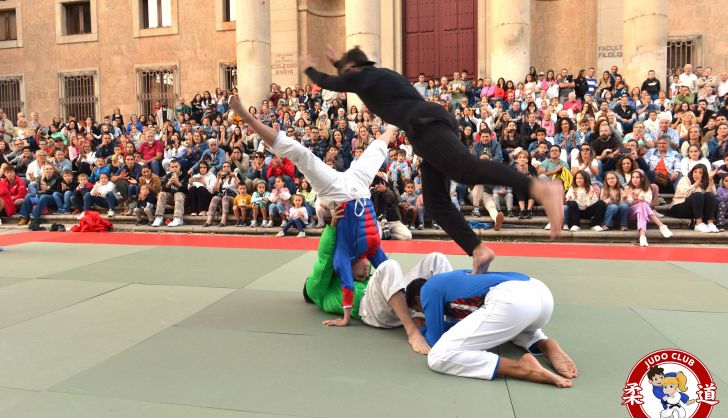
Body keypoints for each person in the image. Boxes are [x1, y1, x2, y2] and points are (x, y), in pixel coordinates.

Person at [298, 46, 564, 275]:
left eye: (346, 71)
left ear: (354, 68)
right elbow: (347, 77)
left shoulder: (366, 76)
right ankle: (478, 250)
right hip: (426, 129)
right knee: (437, 204)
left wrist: (310, 69)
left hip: (426, 125)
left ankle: (540, 188)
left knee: (466, 170)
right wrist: (338, 63)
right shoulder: (373, 75)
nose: (347, 78)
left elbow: (334, 82)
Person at [304, 204, 453, 354]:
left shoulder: (359, 278)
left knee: (436, 259)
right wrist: (332, 226)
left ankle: (455, 314)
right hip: (371, 312)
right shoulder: (317, 291)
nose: (364, 265)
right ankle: (412, 331)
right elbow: (324, 261)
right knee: (389, 266)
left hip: (393, 302)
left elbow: (371, 245)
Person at [405, 269, 576, 387]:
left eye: (419, 309)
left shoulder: (429, 289)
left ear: (418, 299)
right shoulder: (453, 279)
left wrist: (421, 327)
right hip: (540, 296)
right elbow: (473, 324)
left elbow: (435, 341)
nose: (423, 312)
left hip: (512, 299)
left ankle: (522, 367)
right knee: (503, 325)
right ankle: (543, 343)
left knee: (439, 355)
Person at [624, 170, 673, 247]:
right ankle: (661, 226)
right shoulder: (628, 188)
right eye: (633, 177)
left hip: (642, 211)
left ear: (642, 179)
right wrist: (636, 200)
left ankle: (642, 236)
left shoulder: (647, 188)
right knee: (642, 205)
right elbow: (627, 202)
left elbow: (648, 201)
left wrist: (639, 200)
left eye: (637, 177)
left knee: (642, 206)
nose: (635, 179)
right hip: (630, 212)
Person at [668, 164, 718, 233]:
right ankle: (698, 224)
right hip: (678, 207)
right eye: (695, 172)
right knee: (698, 194)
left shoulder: (705, 182)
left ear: (704, 175)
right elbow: (683, 193)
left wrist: (710, 180)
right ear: (692, 172)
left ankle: (710, 223)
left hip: (695, 210)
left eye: (700, 172)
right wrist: (696, 184)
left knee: (709, 194)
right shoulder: (685, 179)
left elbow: (712, 197)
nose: (697, 174)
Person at [152, 159, 189, 227]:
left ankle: (178, 218)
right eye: (172, 167)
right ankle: (159, 217)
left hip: (184, 199)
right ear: (169, 168)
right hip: (172, 199)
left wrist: (178, 184)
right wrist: (168, 184)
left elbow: (188, 190)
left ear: (180, 166)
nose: (174, 169)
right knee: (161, 194)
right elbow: (162, 189)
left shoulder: (186, 175)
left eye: (176, 166)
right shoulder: (168, 176)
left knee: (178, 194)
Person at [203, 161, 238, 228]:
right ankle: (209, 220)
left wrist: (235, 177)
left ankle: (223, 220)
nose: (226, 168)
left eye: (228, 166)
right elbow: (215, 190)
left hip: (233, 197)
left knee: (225, 198)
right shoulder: (221, 178)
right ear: (222, 169)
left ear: (230, 168)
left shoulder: (235, 175)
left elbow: (239, 187)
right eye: (224, 167)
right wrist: (218, 178)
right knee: (215, 198)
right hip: (222, 196)